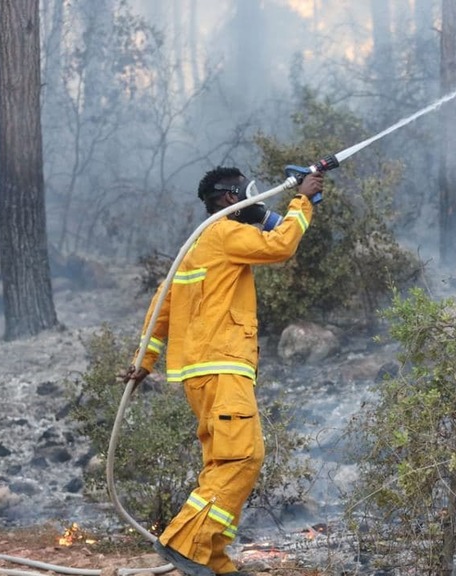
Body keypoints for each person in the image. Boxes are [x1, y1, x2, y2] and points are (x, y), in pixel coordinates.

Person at [123, 166, 324, 576]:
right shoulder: (224, 235)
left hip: (199, 373)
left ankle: (212, 559)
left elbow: (161, 306)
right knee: (243, 457)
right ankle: (186, 543)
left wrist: (143, 363)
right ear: (232, 197)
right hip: (223, 366)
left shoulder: (199, 243)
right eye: (247, 192)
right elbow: (281, 245)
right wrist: (302, 199)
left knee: (221, 462)